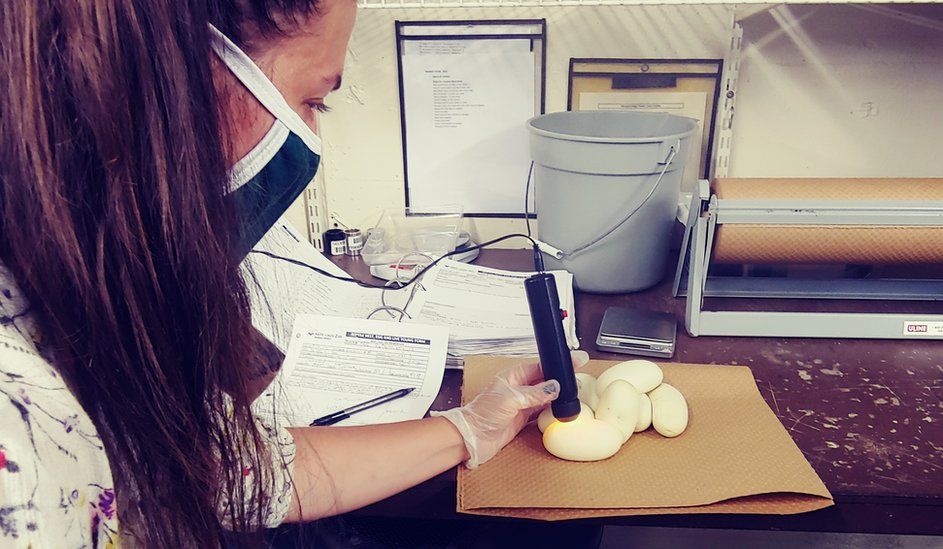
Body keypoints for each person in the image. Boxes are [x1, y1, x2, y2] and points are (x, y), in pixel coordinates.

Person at [0, 1, 587, 546]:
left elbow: (234, 471)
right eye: (314, 101)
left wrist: (470, 427)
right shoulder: (20, 442)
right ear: (173, 81)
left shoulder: (92, 303)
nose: (309, 138)